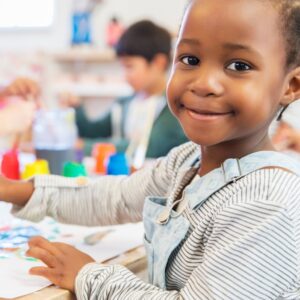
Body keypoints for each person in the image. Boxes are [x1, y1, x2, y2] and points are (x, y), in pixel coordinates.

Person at [1, 0, 300, 298]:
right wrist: (13, 190)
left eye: (239, 66)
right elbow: (115, 197)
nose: (204, 83)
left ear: (292, 85)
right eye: (190, 59)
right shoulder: (188, 162)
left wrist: (88, 276)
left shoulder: (266, 204)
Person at [63, 20, 188, 165]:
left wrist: (85, 147)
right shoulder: (125, 103)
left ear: (158, 62)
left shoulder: (173, 108)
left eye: (129, 66)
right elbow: (94, 130)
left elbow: (145, 147)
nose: (125, 75)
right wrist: (77, 107)